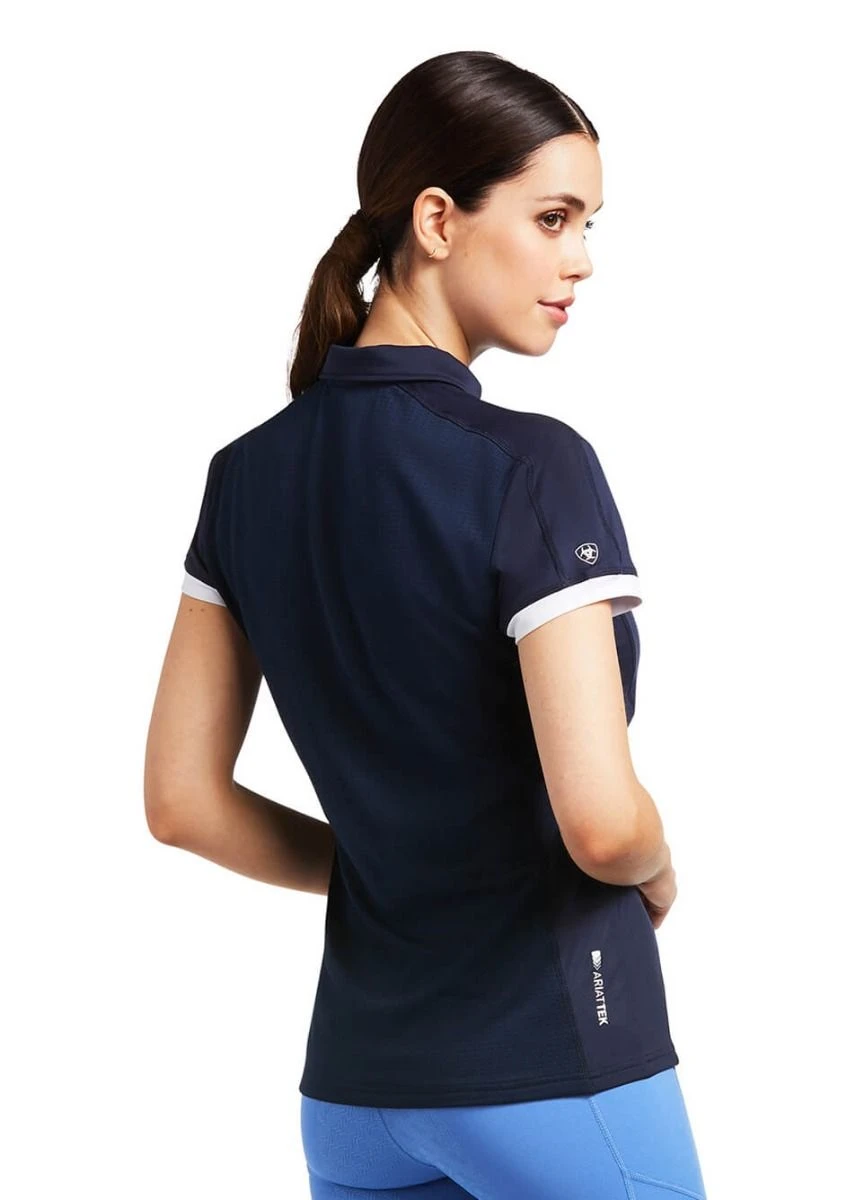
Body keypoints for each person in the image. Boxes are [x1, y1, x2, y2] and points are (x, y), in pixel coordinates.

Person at [144, 49, 708, 1200]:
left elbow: (182, 803)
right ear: (438, 219)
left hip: (356, 1094)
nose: (580, 260)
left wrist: (394, 878)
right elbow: (602, 824)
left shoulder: (245, 479)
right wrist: (653, 865)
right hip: (550, 1063)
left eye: (588, 225)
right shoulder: (531, 469)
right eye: (552, 218)